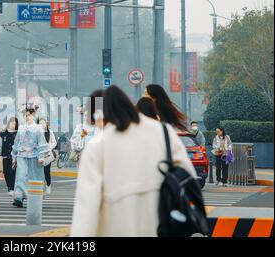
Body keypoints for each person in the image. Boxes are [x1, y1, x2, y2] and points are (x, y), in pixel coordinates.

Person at [71, 86, 196, 237]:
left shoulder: (97, 147)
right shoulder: (164, 133)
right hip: (164, 226)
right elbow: (189, 178)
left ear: (99, 116)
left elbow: (86, 208)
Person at [11, 104, 51, 208]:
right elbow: (16, 143)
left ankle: (35, 197)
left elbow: (41, 143)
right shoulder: (21, 128)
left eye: (29, 115)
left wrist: (41, 157)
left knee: (35, 177)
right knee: (21, 176)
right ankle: (19, 198)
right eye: (25, 115)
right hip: (22, 156)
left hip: (35, 156)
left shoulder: (38, 129)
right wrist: (14, 157)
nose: (27, 117)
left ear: (33, 115)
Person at [70, 90, 104, 165]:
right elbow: (73, 141)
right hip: (82, 156)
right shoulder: (79, 127)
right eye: (85, 115)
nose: (86, 117)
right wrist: (81, 136)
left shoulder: (99, 127)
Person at [0, 117, 18, 196]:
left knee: (13, 173)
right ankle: (9, 186)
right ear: (9, 123)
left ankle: (12, 188)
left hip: (14, 158)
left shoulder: (18, 134)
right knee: (6, 173)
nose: (13, 125)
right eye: (12, 123)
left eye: (15, 123)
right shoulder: (3, 134)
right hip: (4, 157)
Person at [38, 117, 57, 195]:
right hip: (39, 155)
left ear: (46, 124)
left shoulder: (50, 132)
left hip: (47, 155)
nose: (42, 124)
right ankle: (41, 187)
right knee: (39, 172)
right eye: (40, 123)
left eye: (44, 123)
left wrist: (49, 147)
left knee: (47, 171)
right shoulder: (37, 132)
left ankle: (48, 185)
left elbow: (54, 142)